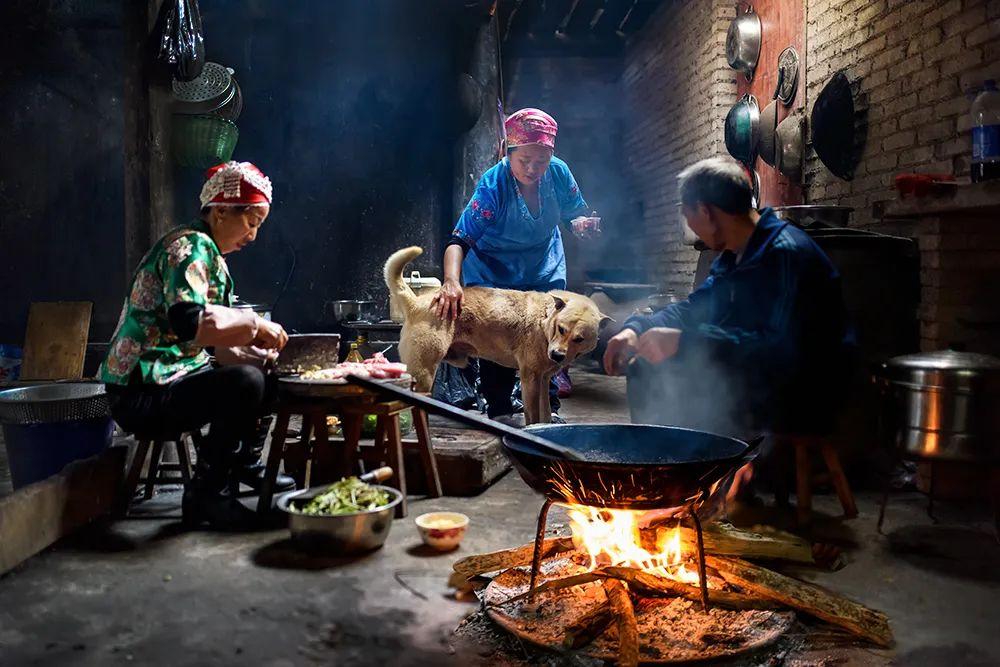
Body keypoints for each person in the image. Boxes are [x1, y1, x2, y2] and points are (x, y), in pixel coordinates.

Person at [603, 156, 850, 496]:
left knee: (696, 380)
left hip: (806, 387)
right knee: (646, 367)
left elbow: (779, 350)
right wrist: (636, 328)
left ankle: (701, 484)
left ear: (705, 211)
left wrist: (685, 342)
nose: (692, 228)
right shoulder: (734, 255)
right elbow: (694, 309)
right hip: (756, 372)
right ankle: (664, 476)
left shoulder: (785, 253)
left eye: (689, 217)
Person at [101, 161, 295, 529]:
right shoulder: (188, 246)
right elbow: (191, 323)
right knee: (245, 384)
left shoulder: (212, 259)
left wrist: (258, 356)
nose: (253, 236)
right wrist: (255, 325)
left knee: (266, 376)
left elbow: (216, 346)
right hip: (141, 393)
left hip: (173, 380)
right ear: (221, 211)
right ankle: (207, 496)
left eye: (258, 226)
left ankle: (242, 462)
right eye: (251, 223)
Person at [432, 108, 600, 423]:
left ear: (551, 156)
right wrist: (451, 282)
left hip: (543, 270)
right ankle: (499, 409)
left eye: (541, 161)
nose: (533, 169)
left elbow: (575, 210)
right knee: (500, 343)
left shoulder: (559, 173)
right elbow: (459, 240)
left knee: (549, 340)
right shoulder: (494, 184)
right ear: (508, 153)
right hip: (495, 274)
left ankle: (547, 417)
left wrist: (580, 223)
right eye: (524, 161)